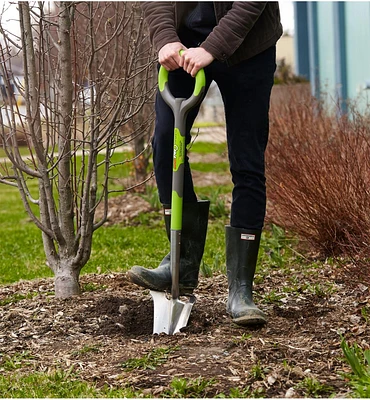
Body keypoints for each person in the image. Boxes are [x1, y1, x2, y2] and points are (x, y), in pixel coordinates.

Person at [128, 2, 283, 326]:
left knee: (247, 161)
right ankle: (181, 263)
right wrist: (165, 38)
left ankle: (241, 289)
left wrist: (211, 48)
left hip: (248, 48)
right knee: (166, 145)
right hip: (183, 46)